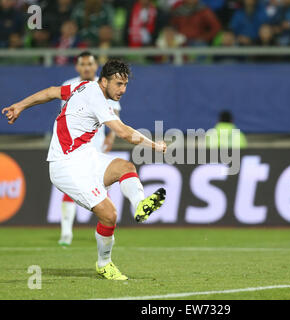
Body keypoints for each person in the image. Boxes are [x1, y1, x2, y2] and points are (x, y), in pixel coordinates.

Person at [2, 59, 167, 280]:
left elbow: (51, 92)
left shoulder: (82, 86)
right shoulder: (96, 96)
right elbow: (125, 133)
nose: (123, 90)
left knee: (125, 167)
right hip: (65, 165)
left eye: (125, 85)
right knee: (109, 214)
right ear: (105, 80)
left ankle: (140, 206)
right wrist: (155, 145)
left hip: (86, 156)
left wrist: (21, 105)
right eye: (118, 84)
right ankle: (104, 264)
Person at [57, 51, 122, 247]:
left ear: (95, 66)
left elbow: (114, 115)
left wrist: (111, 136)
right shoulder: (69, 86)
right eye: (83, 64)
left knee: (102, 187)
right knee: (72, 186)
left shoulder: (107, 86)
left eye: (90, 64)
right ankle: (66, 232)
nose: (86, 67)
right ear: (77, 67)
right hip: (75, 148)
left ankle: (108, 229)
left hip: (97, 147)